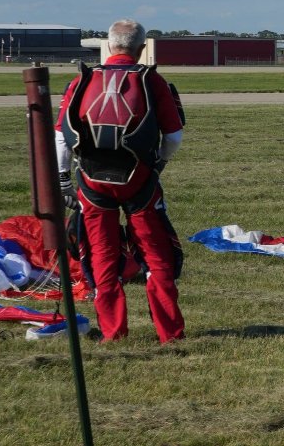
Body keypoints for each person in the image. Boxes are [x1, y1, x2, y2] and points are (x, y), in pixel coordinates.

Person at [55, 19, 186, 343]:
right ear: (141, 49)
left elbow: (61, 138)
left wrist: (63, 183)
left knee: (101, 255)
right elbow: (173, 136)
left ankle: (114, 332)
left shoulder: (82, 80)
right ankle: (170, 332)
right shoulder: (151, 81)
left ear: (110, 46)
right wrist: (158, 167)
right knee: (157, 257)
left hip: (93, 181)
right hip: (139, 180)